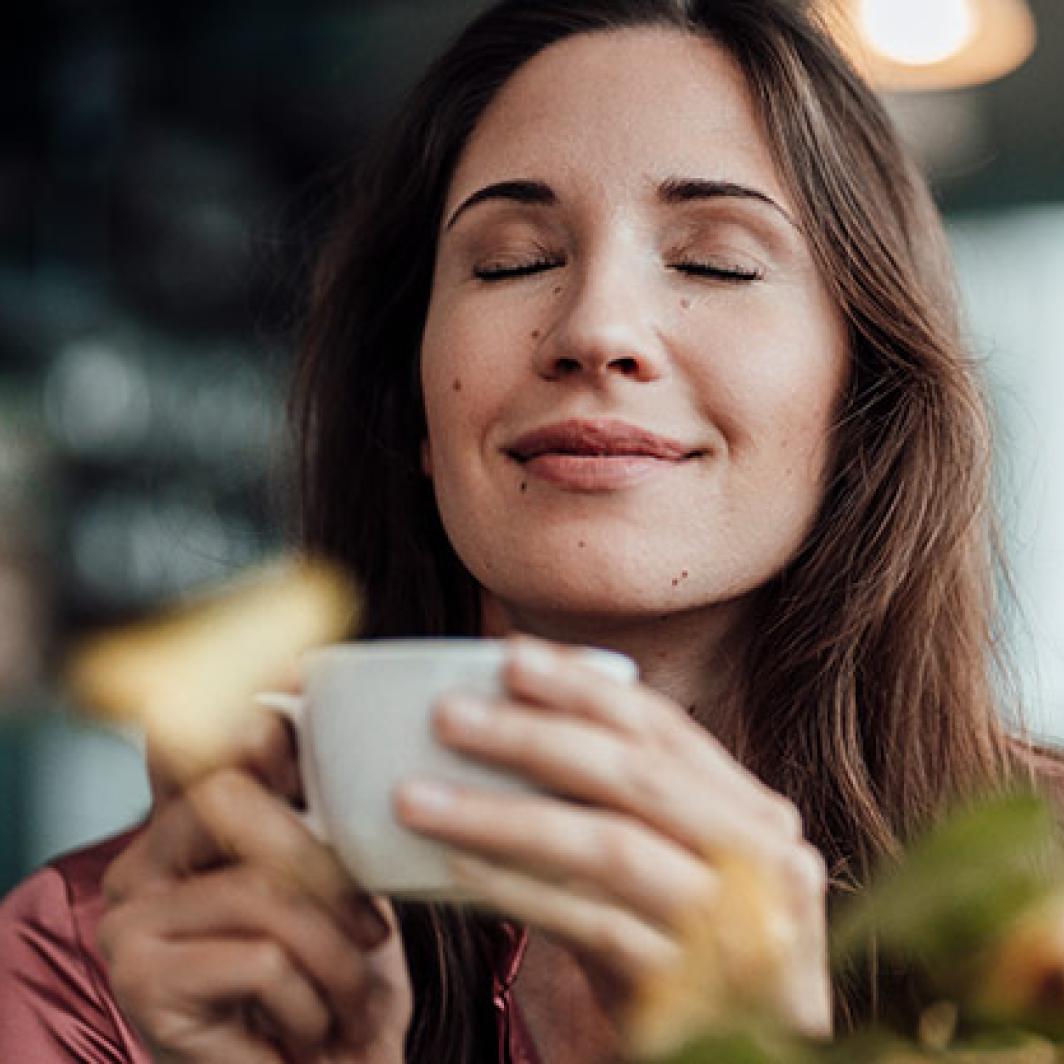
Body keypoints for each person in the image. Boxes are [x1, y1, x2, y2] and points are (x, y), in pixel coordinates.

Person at [2, 0, 1057, 1060]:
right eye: (509, 261)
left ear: (861, 400)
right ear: (414, 406)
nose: (596, 328)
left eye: (716, 262)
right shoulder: (92, 969)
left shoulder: (1040, 910)